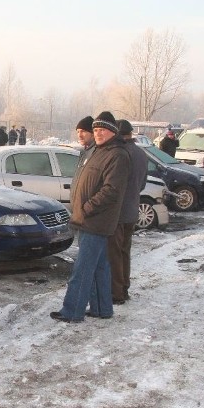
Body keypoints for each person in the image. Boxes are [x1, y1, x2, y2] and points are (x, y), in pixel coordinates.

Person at [50, 111, 130, 323]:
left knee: (83, 269)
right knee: (99, 267)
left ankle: (72, 311)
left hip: (95, 220)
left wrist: (86, 208)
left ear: (113, 131)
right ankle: (102, 308)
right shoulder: (98, 151)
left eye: (102, 130)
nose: (98, 133)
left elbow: (111, 190)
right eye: (95, 130)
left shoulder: (117, 155)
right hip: (88, 218)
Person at [108, 120, 148, 305]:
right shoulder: (141, 153)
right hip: (133, 209)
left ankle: (116, 292)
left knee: (114, 253)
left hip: (117, 212)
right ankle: (124, 287)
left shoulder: (120, 153)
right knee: (124, 251)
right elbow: (142, 184)